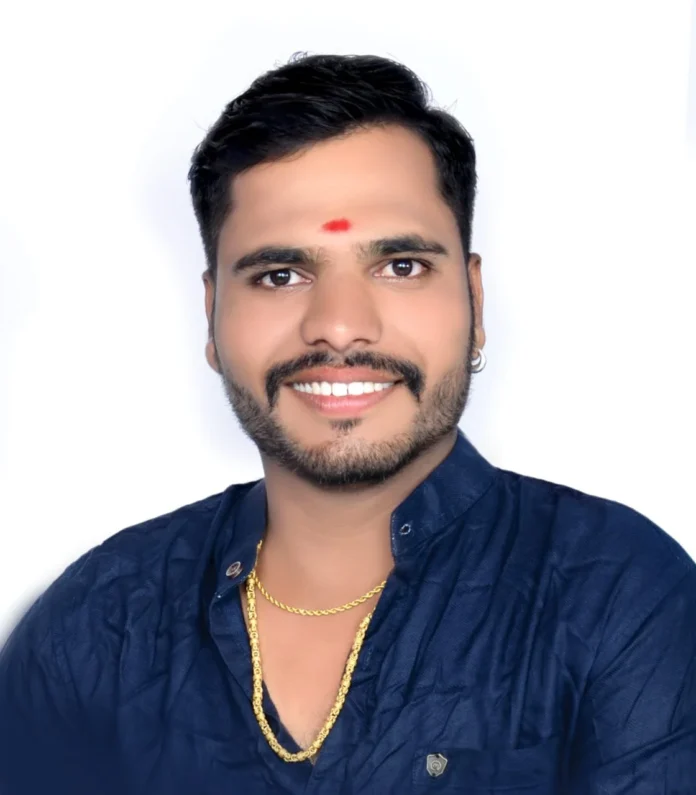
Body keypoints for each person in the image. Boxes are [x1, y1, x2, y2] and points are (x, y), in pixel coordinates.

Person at [0, 52, 694, 795]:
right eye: (280, 275)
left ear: (474, 301)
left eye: (400, 266)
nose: (337, 325)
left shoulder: (619, 597)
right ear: (212, 314)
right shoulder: (97, 622)